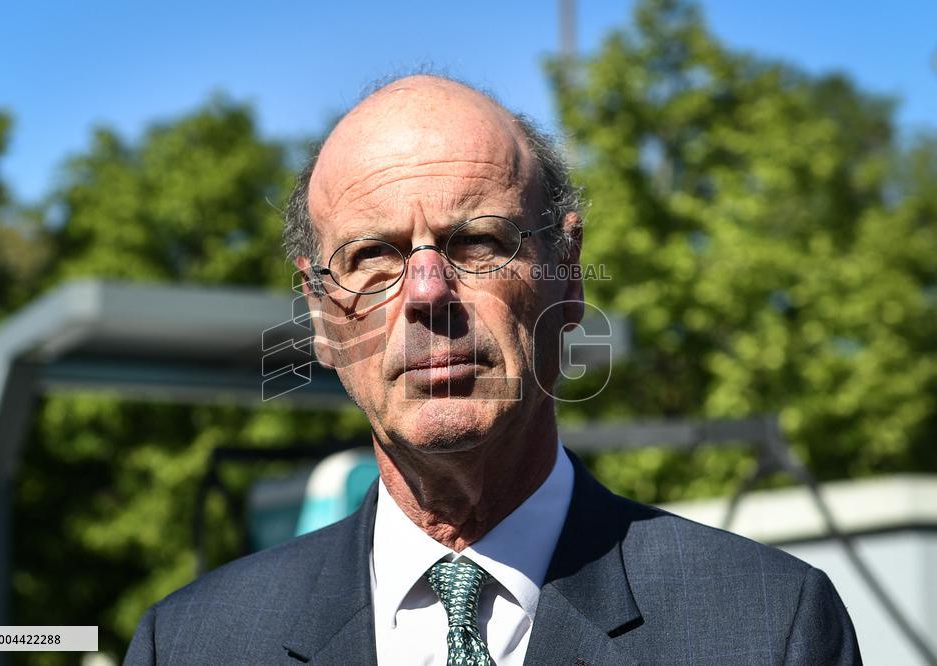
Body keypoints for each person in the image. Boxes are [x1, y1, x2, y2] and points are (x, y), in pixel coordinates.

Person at [124, 75, 860, 665]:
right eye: (371, 257)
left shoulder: (766, 629)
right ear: (319, 313)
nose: (426, 292)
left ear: (567, 277)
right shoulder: (192, 644)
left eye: (477, 241)